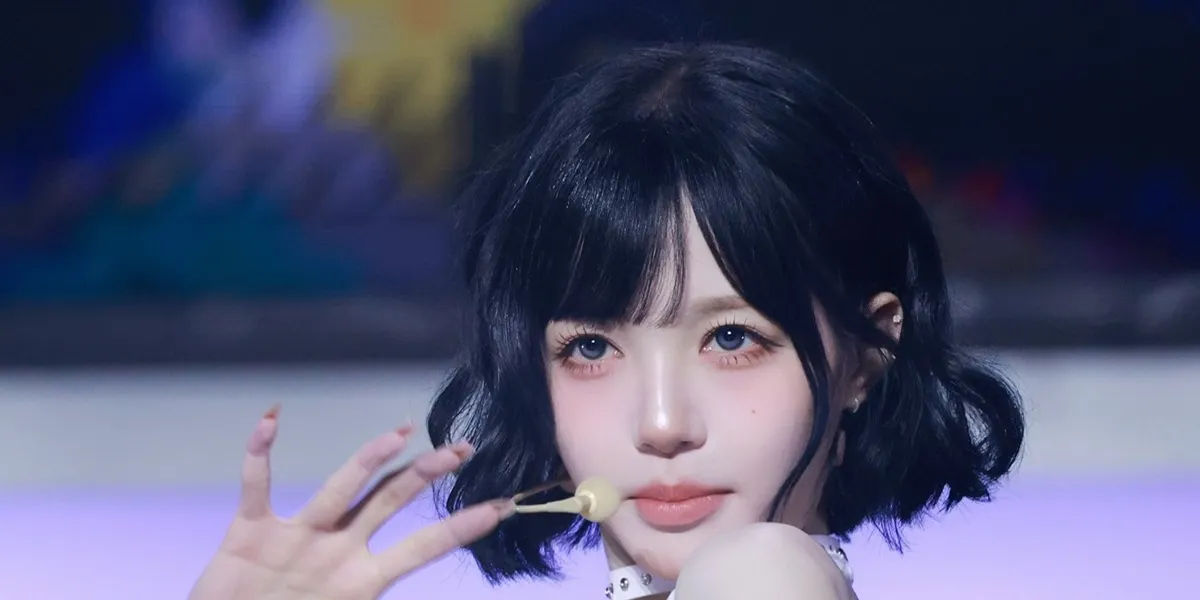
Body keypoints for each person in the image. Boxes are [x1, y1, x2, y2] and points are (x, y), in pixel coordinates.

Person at [189, 43, 1024, 600]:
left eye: (732, 338)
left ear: (867, 354)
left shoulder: (763, 571)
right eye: (591, 347)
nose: (661, 424)